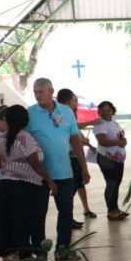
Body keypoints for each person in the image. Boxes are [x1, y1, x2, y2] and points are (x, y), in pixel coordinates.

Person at [27, 78, 88, 254]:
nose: (38, 95)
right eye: (35, 92)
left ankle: (63, 248)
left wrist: (83, 166)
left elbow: (75, 140)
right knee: (38, 214)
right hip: (39, 174)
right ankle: (39, 251)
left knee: (66, 212)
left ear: (50, 91)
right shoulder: (30, 113)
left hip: (64, 172)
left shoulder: (66, 111)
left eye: (41, 91)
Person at [0, 105, 57, 261]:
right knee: (35, 219)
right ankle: (39, 252)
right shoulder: (25, 137)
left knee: (17, 221)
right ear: (25, 120)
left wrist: (11, 166)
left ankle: (24, 255)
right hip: (28, 185)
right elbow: (34, 163)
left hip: (6, 184)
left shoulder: (1, 138)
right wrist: (50, 181)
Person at [56, 88, 96, 222]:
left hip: (75, 157)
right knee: (68, 191)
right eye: (74, 100)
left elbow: (76, 132)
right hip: (67, 158)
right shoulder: (59, 116)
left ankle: (74, 215)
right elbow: (67, 136)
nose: (76, 103)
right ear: (67, 102)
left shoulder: (69, 114)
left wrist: (87, 143)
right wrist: (82, 140)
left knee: (77, 185)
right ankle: (67, 219)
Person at [91, 101, 128, 220]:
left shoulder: (114, 123)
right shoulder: (100, 124)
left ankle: (115, 208)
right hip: (107, 159)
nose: (105, 112)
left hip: (118, 159)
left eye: (108, 110)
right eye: (102, 110)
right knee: (111, 183)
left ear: (113, 111)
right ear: (99, 112)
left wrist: (124, 141)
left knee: (116, 183)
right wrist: (119, 142)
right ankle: (111, 211)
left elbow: (120, 136)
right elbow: (102, 141)